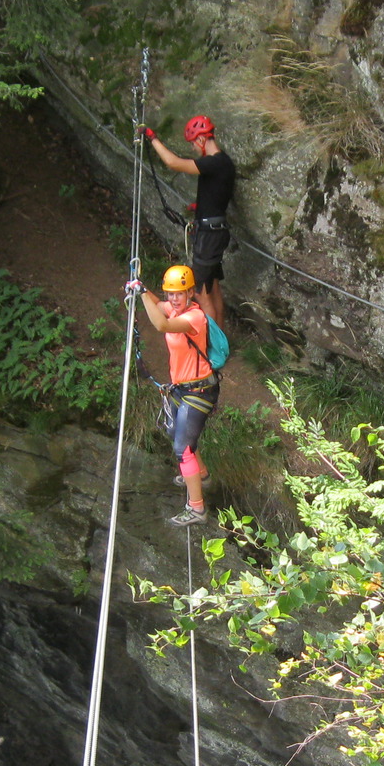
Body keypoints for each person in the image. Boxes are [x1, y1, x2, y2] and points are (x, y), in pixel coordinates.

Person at [128, 263, 218, 528]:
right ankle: (201, 475)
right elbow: (159, 306)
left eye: (179, 293)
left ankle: (197, 509)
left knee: (182, 448)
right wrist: (142, 289)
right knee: (174, 432)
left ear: (190, 293)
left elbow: (161, 324)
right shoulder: (174, 307)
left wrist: (140, 293)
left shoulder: (194, 318)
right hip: (182, 388)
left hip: (199, 391)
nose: (174, 299)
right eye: (170, 293)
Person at [145, 115, 235, 325]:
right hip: (215, 230)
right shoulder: (224, 162)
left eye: (193, 143)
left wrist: (152, 138)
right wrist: (201, 207)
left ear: (202, 139)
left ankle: (209, 341)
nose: (193, 148)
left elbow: (173, 163)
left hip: (208, 236)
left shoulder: (214, 162)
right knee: (212, 288)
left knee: (201, 293)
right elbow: (217, 193)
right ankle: (220, 339)